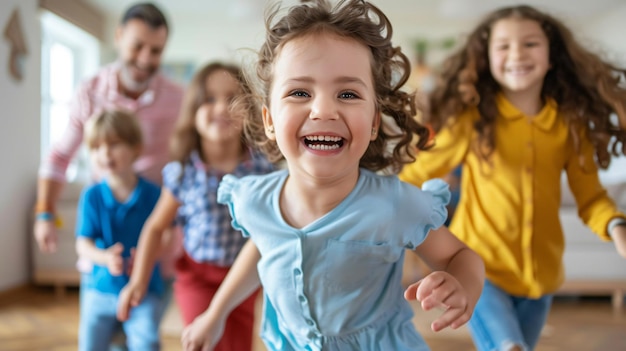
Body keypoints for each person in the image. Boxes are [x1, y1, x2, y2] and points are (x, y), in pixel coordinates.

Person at [180, 1, 485, 350]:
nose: (324, 109)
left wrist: (463, 285)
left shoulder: (393, 205)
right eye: (299, 92)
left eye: (348, 94)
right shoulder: (254, 200)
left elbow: (460, 257)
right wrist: (215, 313)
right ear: (269, 120)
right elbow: (263, 248)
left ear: (373, 123)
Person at [399, 5, 626, 351]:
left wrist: (616, 226)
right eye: (503, 45)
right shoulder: (471, 121)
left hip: (542, 282)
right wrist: (373, 199)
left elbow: (591, 197)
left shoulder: (569, 126)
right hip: (479, 271)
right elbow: (417, 173)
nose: (516, 53)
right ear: (486, 58)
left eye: (530, 44)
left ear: (552, 57)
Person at [116, 62, 275, 351]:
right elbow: (155, 226)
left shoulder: (262, 168)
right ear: (193, 111)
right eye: (210, 99)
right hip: (197, 276)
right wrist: (138, 280)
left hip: (244, 278)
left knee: (237, 345)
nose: (221, 108)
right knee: (202, 341)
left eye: (232, 99)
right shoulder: (184, 171)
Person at [34, 2, 183, 253]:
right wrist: (45, 213)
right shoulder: (90, 91)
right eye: (137, 46)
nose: (145, 59)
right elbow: (60, 157)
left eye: (156, 51)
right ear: (118, 37)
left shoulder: (178, 99)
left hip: (156, 233)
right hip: (105, 230)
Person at [76, 109, 164, 351]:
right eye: (96, 147)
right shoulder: (91, 196)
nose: (104, 153)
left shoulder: (154, 194)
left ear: (136, 147)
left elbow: (166, 236)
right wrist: (104, 258)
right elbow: (83, 244)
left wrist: (148, 256)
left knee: (147, 342)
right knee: (89, 344)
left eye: (114, 144)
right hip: (99, 289)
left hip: (144, 289)